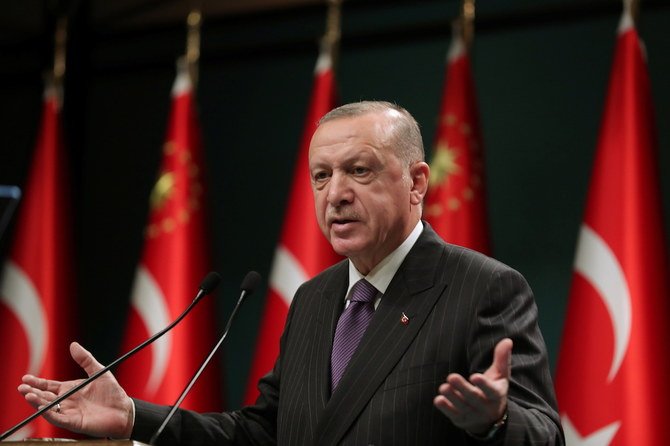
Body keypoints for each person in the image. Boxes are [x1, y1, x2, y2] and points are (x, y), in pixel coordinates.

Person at [18, 101, 564, 445]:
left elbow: (545, 433)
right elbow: (264, 432)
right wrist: (135, 416)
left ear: (417, 183)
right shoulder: (315, 298)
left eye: (359, 170)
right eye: (321, 176)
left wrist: (494, 422)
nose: (336, 194)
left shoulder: (482, 287)